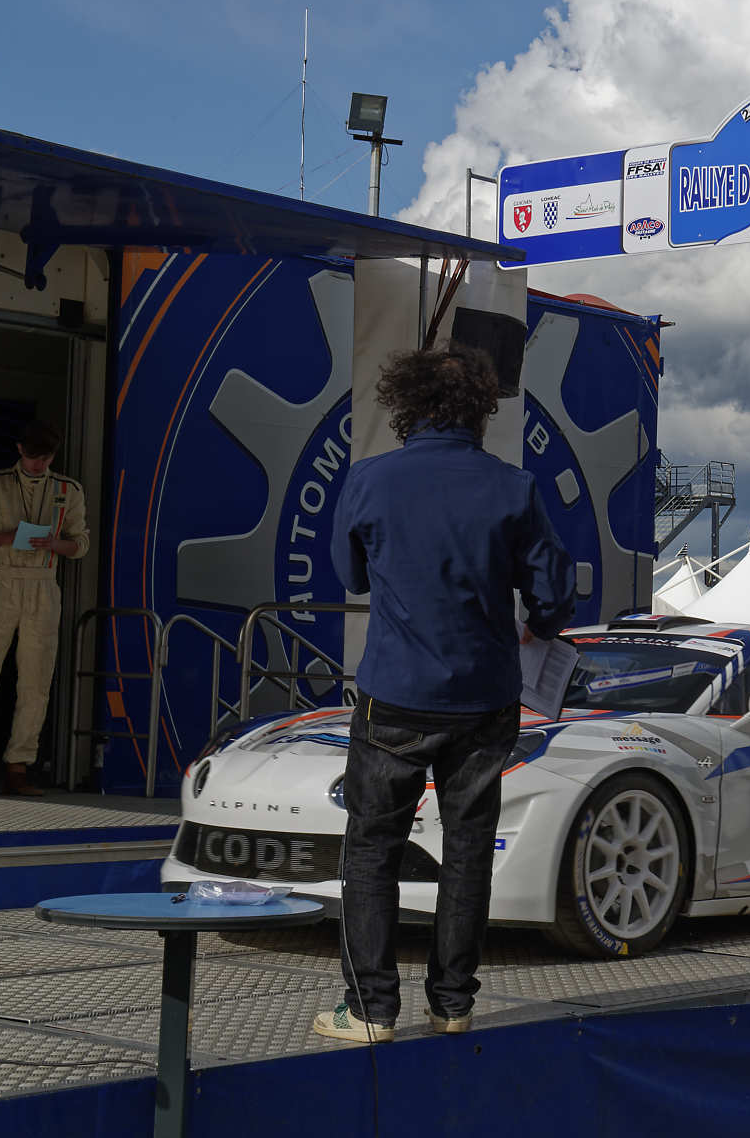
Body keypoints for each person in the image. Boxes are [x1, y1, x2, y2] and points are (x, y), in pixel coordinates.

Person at [314, 347, 574, 1044]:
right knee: (467, 849)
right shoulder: (515, 488)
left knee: (371, 849)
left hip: (394, 693)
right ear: (480, 411)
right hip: (484, 697)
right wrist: (538, 625)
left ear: (408, 405)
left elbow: (352, 575)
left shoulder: (370, 480)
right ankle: (452, 1003)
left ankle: (369, 1010)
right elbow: (553, 596)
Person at [0, 420, 90, 797]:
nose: (36, 464)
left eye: (44, 457)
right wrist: (9, 537)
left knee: (36, 682)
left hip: (44, 584)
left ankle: (19, 766)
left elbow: (80, 544)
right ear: (19, 450)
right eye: (31, 456)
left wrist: (54, 544)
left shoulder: (68, 489)